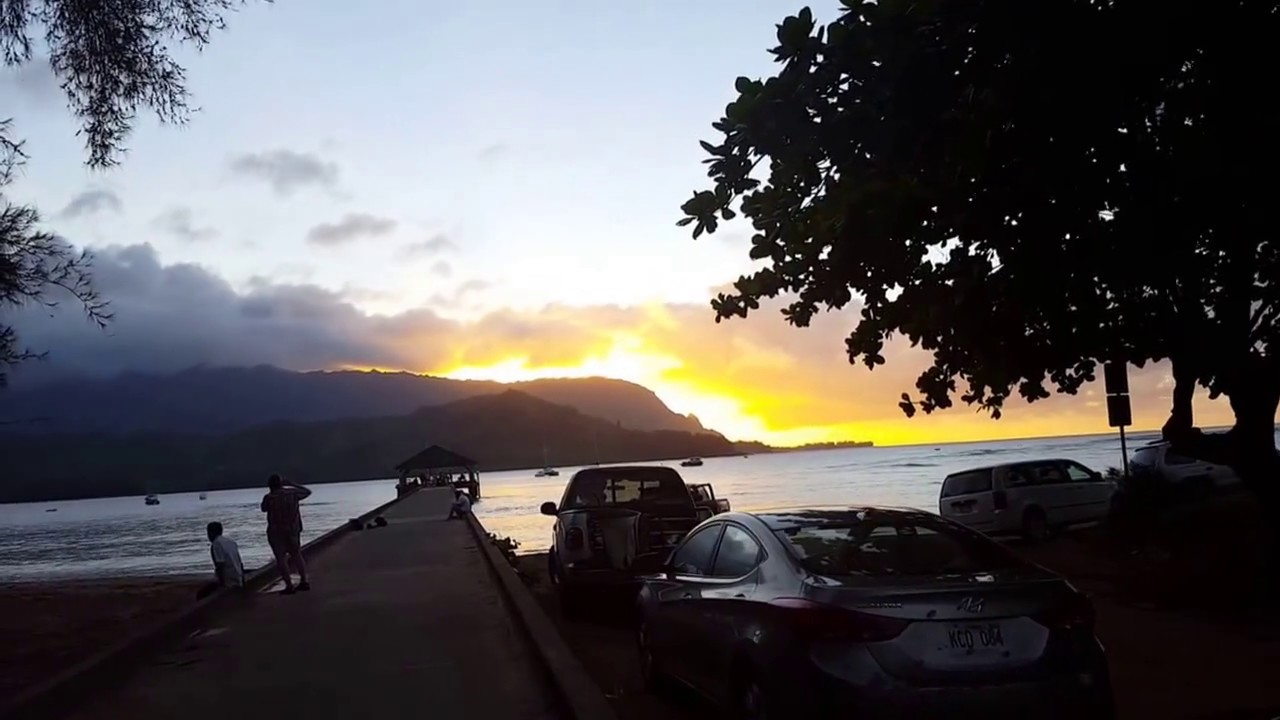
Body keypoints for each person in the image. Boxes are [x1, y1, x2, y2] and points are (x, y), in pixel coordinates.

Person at [261, 474, 312, 594]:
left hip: (276, 532)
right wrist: (292, 484)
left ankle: (289, 585)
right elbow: (307, 492)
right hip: (293, 530)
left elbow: (264, 508)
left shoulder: (269, 497)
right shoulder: (293, 494)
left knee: (281, 559)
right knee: (297, 555)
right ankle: (304, 581)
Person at [196, 521, 245, 600]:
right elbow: (240, 562)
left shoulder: (216, 544)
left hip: (229, 579)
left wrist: (222, 584)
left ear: (211, 533)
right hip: (238, 576)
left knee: (201, 594)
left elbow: (220, 565)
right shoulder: (231, 542)